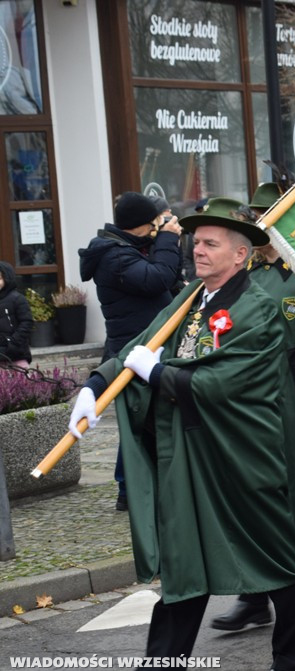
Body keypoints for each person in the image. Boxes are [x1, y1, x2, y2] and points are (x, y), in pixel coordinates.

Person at [69, 197, 295, 671]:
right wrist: (94, 386)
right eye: (194, 241)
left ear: (241, 255)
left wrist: (157, 373)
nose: (196, 250)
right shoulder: (189, 300)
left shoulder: (259, 308)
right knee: (184, 561)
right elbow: (140, 343)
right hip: (191, 453)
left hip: (242, 454)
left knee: (271, 558)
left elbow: (227, 381)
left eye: (209, 244)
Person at [210, 183, 295, 633]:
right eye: (255, 217)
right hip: (257, 404)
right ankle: (255, 595)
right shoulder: (249, 274)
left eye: (266, 216)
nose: (259, 224)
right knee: (258, 495)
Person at [79, 191, 182, 511]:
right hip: (133, 347)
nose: (159, 227)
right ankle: (128, 490)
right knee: (138, 419)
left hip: (145, 344)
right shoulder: (115, 256)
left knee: (144, 418)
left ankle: (136, 488)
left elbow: (169, 278)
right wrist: (166, 240)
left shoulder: (126, 248)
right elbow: (157, 278)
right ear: (142, 225)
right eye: (154, 223)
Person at [0, 261, 33, 367]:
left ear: (7, 278)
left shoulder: (17, 298)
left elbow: (27, 322)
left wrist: (13, 342)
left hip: (17, 353)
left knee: (22, 381)